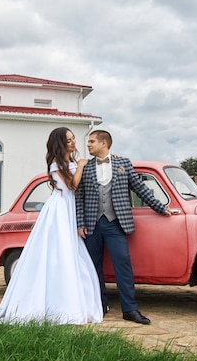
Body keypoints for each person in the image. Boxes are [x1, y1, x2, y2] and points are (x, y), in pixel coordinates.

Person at [0, 127, 103, 325]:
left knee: (73, 252)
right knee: (59, 249)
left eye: (73, 139)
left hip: (70, 207)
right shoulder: (56, 164)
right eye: (69, 140)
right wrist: (81, 166)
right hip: (60, 208)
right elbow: (72, 185)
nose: (73, 143)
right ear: (60, 143)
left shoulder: (72, 162)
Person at [76, 130, 171, 325]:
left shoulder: (123, 163)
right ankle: (99, 305)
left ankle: (130, 309)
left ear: (104, 143)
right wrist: (80, 223)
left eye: (92, 141)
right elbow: (80, 197)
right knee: (93, 267)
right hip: (92, 225)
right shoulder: (85, 167)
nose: (88, 145)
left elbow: (140, 188)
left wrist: (161, 207)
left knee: (123, 265)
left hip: (115, 224)